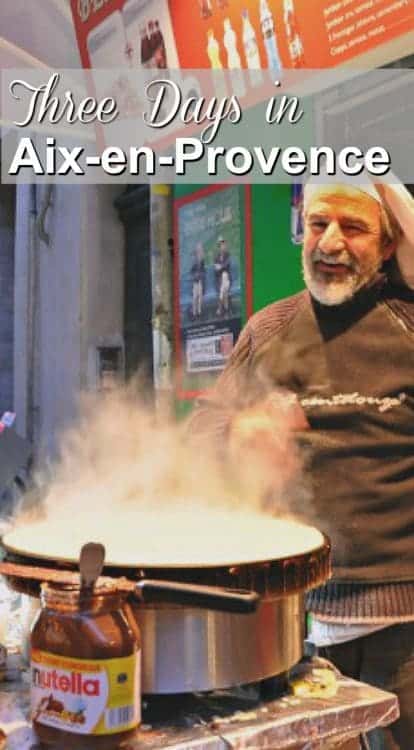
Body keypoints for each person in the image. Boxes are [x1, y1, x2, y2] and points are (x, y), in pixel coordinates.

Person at [189, 176, 414, 749]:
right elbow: (199, 439)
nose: (330, 243)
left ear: (388, 246)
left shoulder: (408, 324)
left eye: (354, 227)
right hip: (293, 623)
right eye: (318, 224)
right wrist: (241, 430)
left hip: (407, 622)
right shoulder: (267, 329)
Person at [214, 237, 232, 316]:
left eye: (224, 244)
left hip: (227, 278)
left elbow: (227, 264)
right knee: (224, 289)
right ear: (219, 247)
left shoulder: (228, 254)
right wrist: (222, 267)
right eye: (221, 245)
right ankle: (227, 309)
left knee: (224, 275)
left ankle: (220, 308)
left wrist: (220, 267)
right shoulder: (216, 257)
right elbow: (216, 270)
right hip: (220, 280)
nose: (223, 246)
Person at [190, 242, 206, 319]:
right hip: (195, 281)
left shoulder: (202, 259)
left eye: (201, 248)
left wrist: (201, 276)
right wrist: (196, 276)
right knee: (195, 296)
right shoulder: (193, 259)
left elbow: (203, 270)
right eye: (199, 248)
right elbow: (192, 271)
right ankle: (194, 312)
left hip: (200, 280)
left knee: (200, 295)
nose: (200, 250)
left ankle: (199, 312)